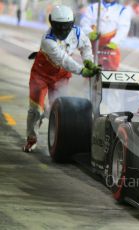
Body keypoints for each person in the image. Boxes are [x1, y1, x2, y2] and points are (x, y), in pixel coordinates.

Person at [23, 5, 99, 152]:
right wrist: (82, 70)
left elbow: (86, 47)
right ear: (52, 24)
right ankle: (31, 139)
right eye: (59, 27)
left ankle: (58, 139)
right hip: (41, 75)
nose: (63, 31)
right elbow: (64, 60)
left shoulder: (77, 32)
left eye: (66, 27)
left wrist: (88, 60)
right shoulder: (48, 40)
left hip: (62, 76)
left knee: (59, 110)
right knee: (35, 110)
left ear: (72, 24)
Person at [80, 0, 131, 70]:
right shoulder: (92, 8)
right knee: (91, 71)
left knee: (111, 71)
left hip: (110, 46)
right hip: (94, 43)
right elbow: (84, 24)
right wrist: (89, 33)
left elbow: (123, 29)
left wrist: (115, 41)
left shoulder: (122, 10)